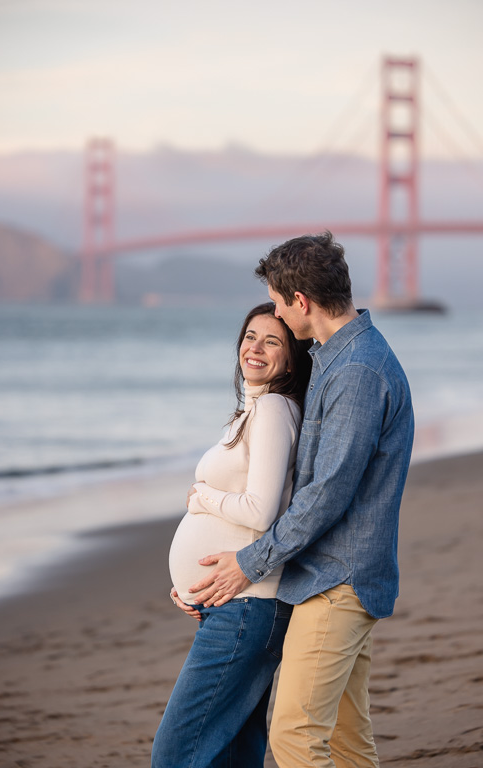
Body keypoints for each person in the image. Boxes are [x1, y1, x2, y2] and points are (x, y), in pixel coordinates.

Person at [188, 232, 415, 768]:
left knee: (294, 736)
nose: (275, 315)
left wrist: (247, 564)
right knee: (346, 741)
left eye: (277, 302)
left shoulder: (357, 370)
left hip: (337, 581)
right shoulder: (340, 358)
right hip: (333, 577)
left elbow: (324, 496)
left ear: (302, 302)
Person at [151, 302, 312, 768]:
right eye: (249, 337)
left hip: (248, 606)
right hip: (230, 604)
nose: (255, 348)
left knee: (175, 753)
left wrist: (202, 498)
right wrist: (191, 588)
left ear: (290, 359)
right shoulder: (253, 411)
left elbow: (261, 512)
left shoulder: (274, 409)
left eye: (272, 341)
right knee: (232, 753)